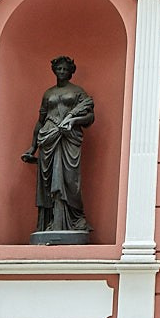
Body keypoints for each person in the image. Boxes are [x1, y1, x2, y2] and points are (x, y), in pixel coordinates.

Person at [21, 55, 95, 235]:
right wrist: (33, 147)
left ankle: (74, 220)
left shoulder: (78, 92)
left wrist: (74, 120)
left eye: (65, 69)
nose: (62, 72)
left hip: (68, 138)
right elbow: (40, 121)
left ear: (71, 72)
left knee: (69, 179)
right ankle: (53, 221)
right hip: (48, 138)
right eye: (59, 69)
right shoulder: (48, 93)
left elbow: (90, 117)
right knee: (48, 182)